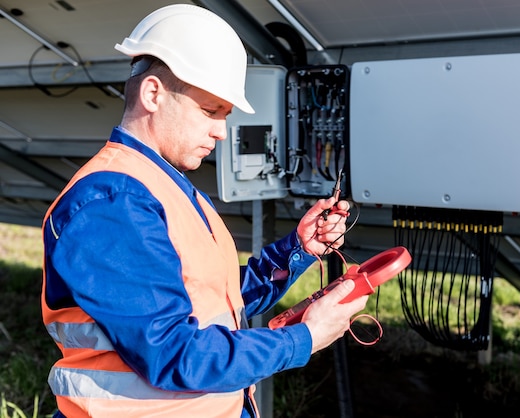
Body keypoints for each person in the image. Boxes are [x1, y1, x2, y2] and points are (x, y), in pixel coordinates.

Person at [40, 4, 368, 418]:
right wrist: (303, 338)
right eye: (210, 111)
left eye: (225, 116)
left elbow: (213, 300)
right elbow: (175, 353)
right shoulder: (111, 203)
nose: (220, 130)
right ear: (153, 94)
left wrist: (295, 251)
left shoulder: (164, 187)